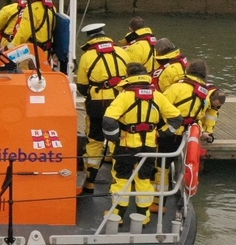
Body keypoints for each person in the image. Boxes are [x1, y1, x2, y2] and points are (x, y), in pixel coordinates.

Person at [101, 63, 182, 227]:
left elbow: (108, 120)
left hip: (126, 146)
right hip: (150, 146)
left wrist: (115, 138)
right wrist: (163, 133)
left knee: (121, 179)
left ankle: (117, 216)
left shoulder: (124, 96)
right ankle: (143, 217)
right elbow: (177, 118)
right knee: (144, 179)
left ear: (129, 76)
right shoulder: (157, 96)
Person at [73, 23, 130, 194]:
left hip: (98, 104)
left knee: (95, 140)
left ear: (89, 38)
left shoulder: (88, 56)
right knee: (119, 138)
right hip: (121, 102)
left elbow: (82, 86)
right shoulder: (122, 52)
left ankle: (90, 180)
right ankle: (118, 179)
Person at [0, 0, 56, 66]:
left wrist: (8, 48)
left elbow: (23, 34)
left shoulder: (31, 9)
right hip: (44, 53)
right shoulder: (51, 8)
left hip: (28, 54)